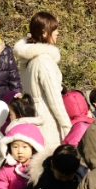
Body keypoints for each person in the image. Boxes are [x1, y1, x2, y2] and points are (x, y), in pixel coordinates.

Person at [14, 12, 71, 148]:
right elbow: (54, 98)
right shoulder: (44, 60)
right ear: (44, 32)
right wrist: (67, 126)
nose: (57, 33)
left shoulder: (27, 60)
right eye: (54, 29)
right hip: (47, 120)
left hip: (33, 116)